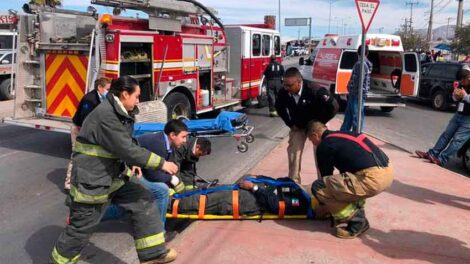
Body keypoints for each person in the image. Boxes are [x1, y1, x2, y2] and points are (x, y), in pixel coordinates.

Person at [51, 76, 179, 264]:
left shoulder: (119, 112)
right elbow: (126, 149)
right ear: (124, 94)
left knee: (144, 198)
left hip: (113, 176)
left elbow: (125, 143)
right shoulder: (106, 116)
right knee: (81, 228)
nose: (138, 101)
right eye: (136, 96)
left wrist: (131, 161)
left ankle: (153, 254)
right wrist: (161, 164)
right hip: (93, 181)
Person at [307, 121, 393, 239]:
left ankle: (357, 222)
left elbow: (325, 178)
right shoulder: (347, 135)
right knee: (345, 183)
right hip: (388, 172)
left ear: (314, 135)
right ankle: (358, 213)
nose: (314, 144)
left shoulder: (325, 146)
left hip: (372, 178)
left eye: (311, 141)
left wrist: (323, 206)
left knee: (319, 187)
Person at [104, 120, 189, 227]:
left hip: (138, 170)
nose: (185, 140)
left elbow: (167, 168)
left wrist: (174, 179)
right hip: (127, 171)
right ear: (172, 135)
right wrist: (171, 179)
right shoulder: (158, 144)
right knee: (161, 191)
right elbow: (153, 176)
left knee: (130, 206)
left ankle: (93, 216)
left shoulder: (169, 145)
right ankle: (158, 228)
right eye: (183, 137)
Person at [275, 67, 339, 184]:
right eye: (284, 85)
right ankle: (294, 183)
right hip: (298, 126)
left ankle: (323, 183)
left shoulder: (314, 89)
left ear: (299, 82)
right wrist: (290, 123)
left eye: (289, 85)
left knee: (321, 152)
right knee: (294, 152)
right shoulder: (284, 92)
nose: (286, 88)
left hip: (316, 125)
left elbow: (333, 106)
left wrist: (321, 122)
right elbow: (279, 107)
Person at [168, 175, 313, 218]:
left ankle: (168, 204)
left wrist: (254, 188)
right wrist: (258, 177)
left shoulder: (300, 202)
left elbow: (275, 205)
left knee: (205, 201)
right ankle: (177, 194)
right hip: (248, 191)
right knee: (209, 190)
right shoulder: (298, 190)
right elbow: (278, 182)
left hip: (247, 201)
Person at [415, 66, 470, 166]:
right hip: (459, 114)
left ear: (468, 77)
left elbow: (466, 97)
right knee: (446, 135)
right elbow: (455, 98)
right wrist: (455, 95)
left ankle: (442, 159)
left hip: (468, 119)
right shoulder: (462, 84)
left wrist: (465, 96)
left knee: (457, 140)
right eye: (460, 80)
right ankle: (432, 154)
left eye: (463, 80)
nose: (461, 82)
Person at [64, 77, 111, 191]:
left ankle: (84, 180)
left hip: (89, 130)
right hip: (79, 129)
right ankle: (69, 183)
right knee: (77, 154)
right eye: (107, 89)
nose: (109, 91)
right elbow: (84, 119)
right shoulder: (89, 99)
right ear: (100, 88)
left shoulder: (102, 98)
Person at [340, 45, 372, 133]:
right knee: (351, 116)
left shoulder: (360, 64)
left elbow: (357, 81)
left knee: (355, 117)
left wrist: (350, 89)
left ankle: (354, 135)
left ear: (358, 52)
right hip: (357, 94)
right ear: (367, 53)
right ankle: (344, 133)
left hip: (356, 94)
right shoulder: (366, 64)